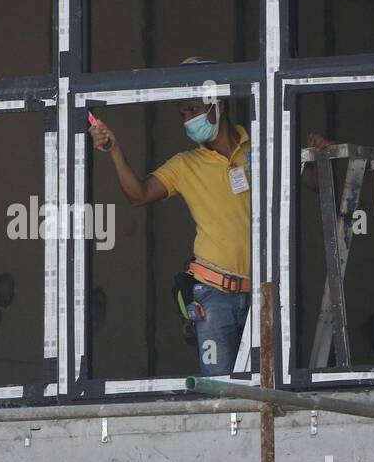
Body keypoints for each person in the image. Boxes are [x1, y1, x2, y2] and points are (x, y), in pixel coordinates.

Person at [88, 59, 252, 375]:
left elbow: (308, 182)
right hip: (214, 295)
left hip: (262, 292)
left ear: (219, 104)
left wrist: (323, 155)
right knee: (218, 394)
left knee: (266, 394)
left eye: (192, 110)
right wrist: (114, 150)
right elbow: (138, 195)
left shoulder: (260, 147)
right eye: (182, 114)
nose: (187, 120)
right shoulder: (184, 164)